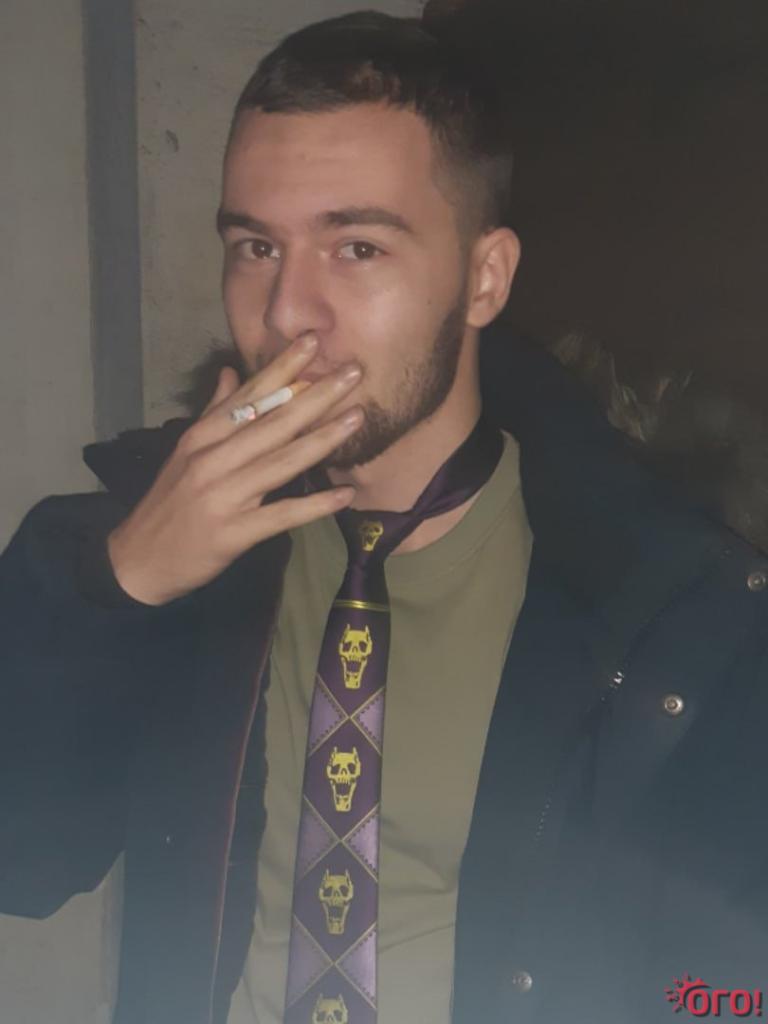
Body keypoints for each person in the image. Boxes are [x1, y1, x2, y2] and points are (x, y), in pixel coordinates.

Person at [1, 11, 767, 1024]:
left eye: (356, 247)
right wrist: (116, 582)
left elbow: (723, 986)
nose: (288, 311)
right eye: (255, 246)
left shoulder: (663, 598)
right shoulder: (170, 540)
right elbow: (23, 860)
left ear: (485, 277)